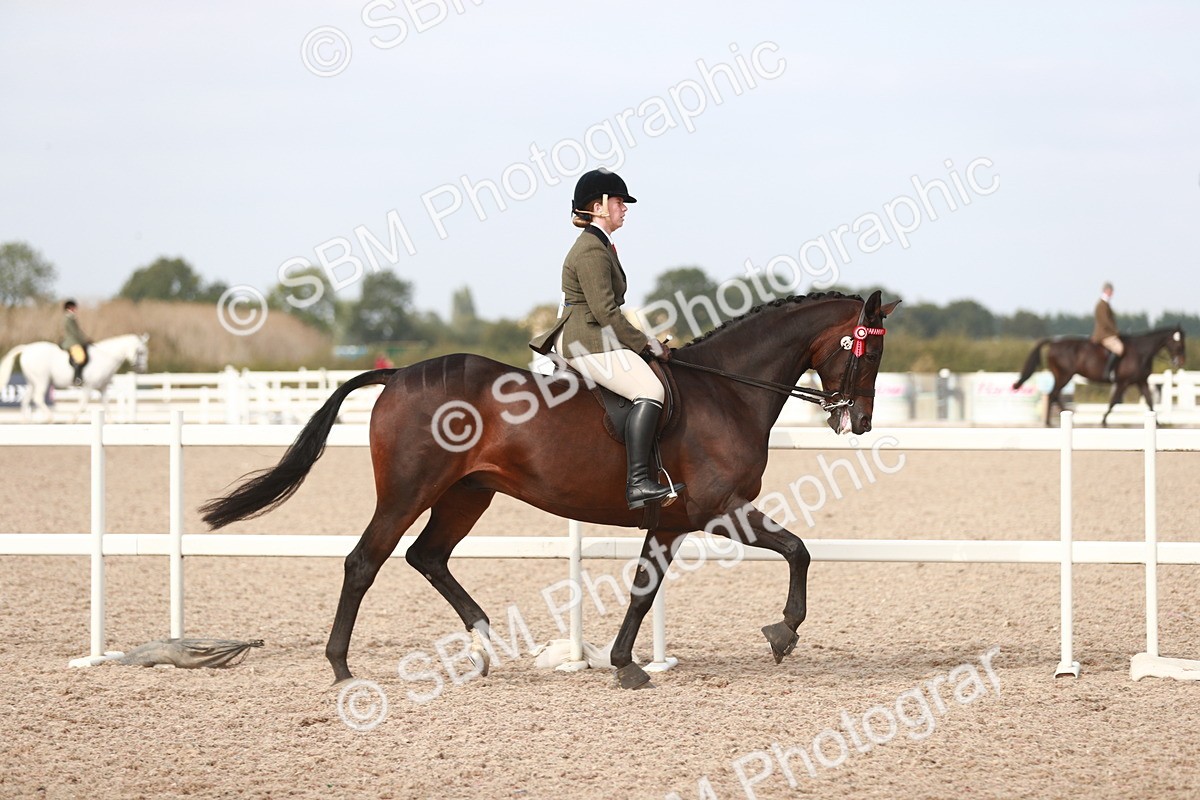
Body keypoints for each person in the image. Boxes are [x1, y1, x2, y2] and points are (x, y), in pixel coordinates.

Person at [529, 168, 685, 510]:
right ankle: (639, 483)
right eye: (618, 202)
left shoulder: (601, 245)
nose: (624, 208)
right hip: (586, 338)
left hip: (594, 334)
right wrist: (646, 343)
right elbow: (606, 312)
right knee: (651, 390)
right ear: (598, 206)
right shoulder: (590, 250)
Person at [1091, 281, 1123, 382]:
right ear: (1107, 291)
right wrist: (1115, 331)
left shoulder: (1106, 304)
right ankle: (1109, 371)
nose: (1112, 293)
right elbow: (1105, 321)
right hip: (1104, 334)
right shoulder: (1102, 305)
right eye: (1111, 291)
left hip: (1108, 333)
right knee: (1120, 348)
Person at [61, 300, 91, 386]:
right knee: (80, 357)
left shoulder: (71, 317)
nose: (75, 309)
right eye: (74, 307)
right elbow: (75, 332)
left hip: (76, 340)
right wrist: (84, 340)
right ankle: (76, 378)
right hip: (73, 342)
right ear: (70, 308)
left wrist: (86, 339)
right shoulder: (69, 318)